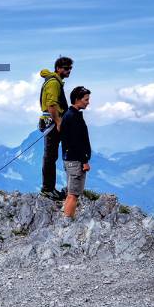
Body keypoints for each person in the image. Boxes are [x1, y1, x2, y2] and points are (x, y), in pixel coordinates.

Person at [39, 56, 72, 200]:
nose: (69, 71)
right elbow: (51, 105)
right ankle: (48, 189)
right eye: (66, 68)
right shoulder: (54, 83)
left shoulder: (53, 81)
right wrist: (58, 122)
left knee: (50, 156)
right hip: (52, 122)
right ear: (58, 68)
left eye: (70, 68)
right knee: (50, 156)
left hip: (49, 121)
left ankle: (49, 188)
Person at [60, 86, 92, 218]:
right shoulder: (73, 117)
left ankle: (66, 219)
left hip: (70, 159)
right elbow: (76, 142)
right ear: (77, 99)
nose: (88, 102)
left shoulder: (70, 115)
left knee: (70, 193)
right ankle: (67, 221)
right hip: (76, 161)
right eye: (86, 99)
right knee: (74, 194)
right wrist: (84, 161)